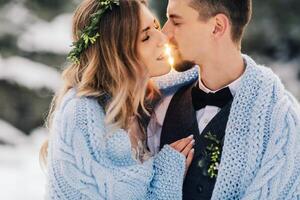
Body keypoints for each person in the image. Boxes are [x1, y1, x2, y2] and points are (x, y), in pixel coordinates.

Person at [40, 0, 198, 199]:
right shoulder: (81, 113)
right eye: (146, 36)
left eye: (156, 26)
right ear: (116, 53)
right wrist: (165, 177)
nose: (163, 38)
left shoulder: (143, 101)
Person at [147, 0, 300, 199]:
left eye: (176, 22)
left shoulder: (282, 126)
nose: (164, 33)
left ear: (217, 27)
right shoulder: (157, 105)